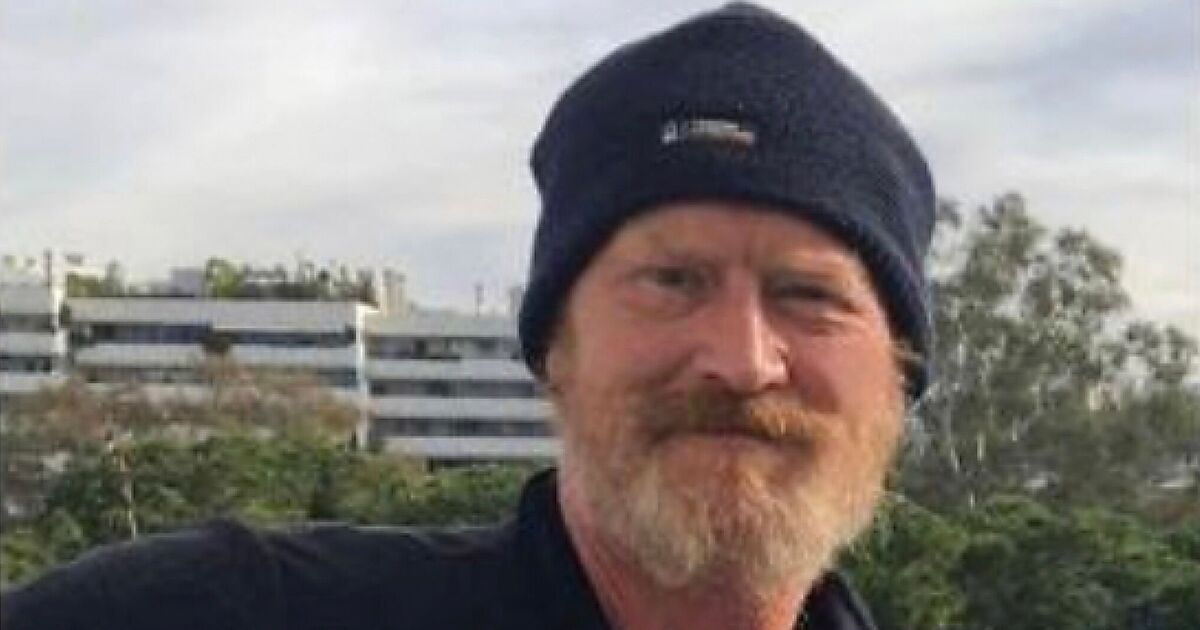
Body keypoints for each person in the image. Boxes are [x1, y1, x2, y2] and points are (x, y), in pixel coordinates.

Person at [1, 3, 934, 629]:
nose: (741, 360)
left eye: (809, 295)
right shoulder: (233, 611)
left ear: (899, 374)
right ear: (555, 347)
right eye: (672, 281)